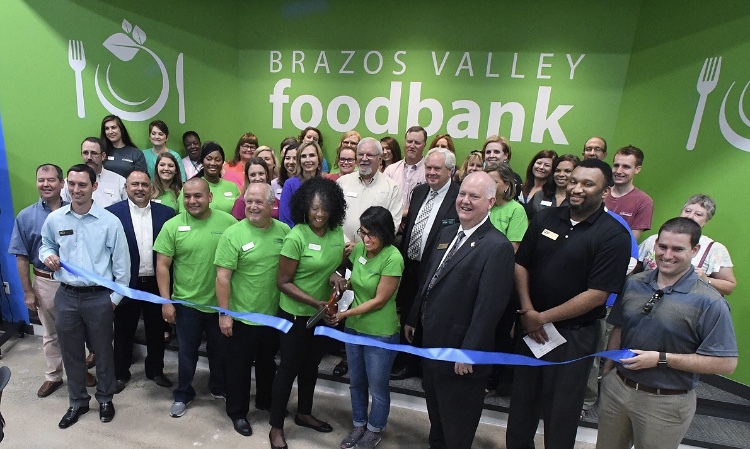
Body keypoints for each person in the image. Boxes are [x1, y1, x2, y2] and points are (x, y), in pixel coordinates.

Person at [506, 158, 632, 449]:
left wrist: (543, 317)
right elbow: (521, 264)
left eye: (587, 184)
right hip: (530, 328)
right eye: (574, 181)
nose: (577, 188)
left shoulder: (614, 235)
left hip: (573, 336)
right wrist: (529, 312)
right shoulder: (546, 218)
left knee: (560, 414)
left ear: (605, 191)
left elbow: (597, 294)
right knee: (522, 406)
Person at [596, 217, 738, 449]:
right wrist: (609, 374)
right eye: (662, 247)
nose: (668, 255)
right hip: (618, 390)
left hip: (666, 402)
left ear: (695, 250)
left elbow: (725, 364)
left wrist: (661, 359)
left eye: (678, 249)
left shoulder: (710, 302)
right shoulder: (634, 284)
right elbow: (619, 328)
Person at [404, 171, 515, 449]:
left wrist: (469, 351)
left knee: (457, 427)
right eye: (462, 194)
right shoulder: (447, 232)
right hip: (431, 345)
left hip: (461, 355)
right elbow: (429, 279)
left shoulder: (497, 247)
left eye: (474, 196)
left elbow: (489, 308)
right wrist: (414, 317)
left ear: (490, 202)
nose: (465, 201)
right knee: (437, 419)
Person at [39, 163, 130, 428]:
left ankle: (105, 399)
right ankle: (77, 402)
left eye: (83, 184)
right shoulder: (55, 219)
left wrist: (111, 301)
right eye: (72, 184)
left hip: (98, 298)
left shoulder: (109, 222)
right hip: (66, 296)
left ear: (94, 187)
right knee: (71, 353)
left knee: (102, 352)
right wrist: (48, 256)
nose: (76, 189)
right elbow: (46, 244)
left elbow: (122, 269)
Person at [268, 177, 347, 449]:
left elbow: (335, 264)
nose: (320, 214)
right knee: (288, 369)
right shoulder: (296, 236)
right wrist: (316, 303)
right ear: (305, 207)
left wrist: (337, 274)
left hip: (321, 315)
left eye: (325, 208)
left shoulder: (337, 232)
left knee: (311, 367)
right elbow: (283, 282)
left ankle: (304, 413)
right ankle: (276, 427)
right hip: (295, 316)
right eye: (314, 208)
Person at [154, 177, 237, 418]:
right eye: (187, 196)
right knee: (186, 352)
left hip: (219, 305)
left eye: (198, 196)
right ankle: (183, 392)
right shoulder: (172, 226)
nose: (192, 201)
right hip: (186, 304)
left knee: (219, 351)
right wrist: (166, 302)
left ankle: (218, 388)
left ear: (210, 197)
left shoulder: (229, 223)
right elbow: (162, 266)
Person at [215, 183, 291, 437]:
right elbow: (222, 277)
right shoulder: (233, 234)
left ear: (272, 205)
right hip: (241, 317)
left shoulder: (284, 231)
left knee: (268, 363)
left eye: (259, 202)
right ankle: (237, 413)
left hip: (273, 315)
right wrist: (224, 314)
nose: (253, 207)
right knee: (238, 368)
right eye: (249, 202)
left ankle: (265, 402)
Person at [328, 206, 404, 449]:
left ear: (385, 233)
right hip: (354, 328)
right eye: (363, 232)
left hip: (380, 332)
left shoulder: (393, 258)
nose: (366, 239)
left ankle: (374, 429)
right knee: (357, 381)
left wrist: (344, 314)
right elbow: (354, 277)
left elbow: (379, 300)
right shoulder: (360, 249)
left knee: (378, 387)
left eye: (372, 234)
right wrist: (339, 281)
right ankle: (359, 423)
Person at [392, 147, 459, 381]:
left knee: (427, 316)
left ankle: (422, 366)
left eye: (436, 168)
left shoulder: (458, 197)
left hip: (438, 269)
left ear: (450, 171)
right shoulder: (419, 192)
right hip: (411, 265)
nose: (430, 172)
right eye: (428, 167)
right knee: (407, 311)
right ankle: (406, 361)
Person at [106, 170, 175, 393]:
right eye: (134, 184)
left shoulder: (166, 213)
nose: (139, 189)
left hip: (156, 282)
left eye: (144, 185)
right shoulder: (111, 214)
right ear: (126, 188)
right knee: (124, 330)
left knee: (157, 330)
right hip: (127, 282)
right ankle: (120, 373)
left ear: (151, 188)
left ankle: (155, 370)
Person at [8, 163, 68, 398]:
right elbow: (21, 257)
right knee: (51, 333)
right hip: (45, 282)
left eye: (51, 180)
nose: (46, 184)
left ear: (61, 183)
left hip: (74, 282)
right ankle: (53, 376)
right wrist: (28, 292)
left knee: (77, 331)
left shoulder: (74, 211)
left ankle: (79, 371)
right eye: (41, 180)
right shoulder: (26, 217)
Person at [483, 163, 528, 396]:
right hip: (476, 279)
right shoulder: (484, 207)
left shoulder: (515, 210)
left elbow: (512, 248)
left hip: (502, 282)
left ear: (507, 185)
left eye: (494, 182)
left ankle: (491, 380)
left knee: (498, 331)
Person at [638, 194, 736, 296]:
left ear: (706, 221)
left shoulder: (715, 249)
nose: (690, 216)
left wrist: (706, 279)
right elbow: (634, 268)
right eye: (687, 211)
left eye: (698, 214)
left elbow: (729, 287)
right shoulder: (653, 240)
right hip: (644, 296)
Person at [337, 137, 402, 247]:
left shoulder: (392, 188)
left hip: (374, 254)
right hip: (342, 250)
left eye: (370, 155)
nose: (364, 158)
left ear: (380, 159)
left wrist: (362, 246)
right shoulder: (341, 183)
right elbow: (333, 217)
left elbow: (392, 225)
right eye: (360, 154)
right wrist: (346, 243)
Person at [604, 145, 654, 239]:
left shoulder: (644, 202)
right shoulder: (599, 193)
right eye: (616, 165)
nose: (619, 171)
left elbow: (631, 241)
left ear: (637, 169)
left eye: (626, 167)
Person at [62, 137, 127, 207]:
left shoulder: (120, 182)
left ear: (103, 156)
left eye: (94, 153)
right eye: (85, 153)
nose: (89, 157)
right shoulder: (70, 183)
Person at [180, 142, 241, 215]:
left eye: (218, 160)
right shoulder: (191, 186)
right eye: (209, 159)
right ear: (202, 161)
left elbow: (239, 213)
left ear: (223, 162)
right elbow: (183, 216)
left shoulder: (233, 187)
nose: (213, 163)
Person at [384, 126, 428, 226]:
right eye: (409, 141)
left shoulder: (429, 173)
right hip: (390, 225)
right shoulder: (391, 170)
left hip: (417, 225)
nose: (412, 146)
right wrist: (396, 220)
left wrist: (402, 215)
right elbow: (383, 199)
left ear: (424, 145)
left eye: (417, 143)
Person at [278, 140, 324, 227]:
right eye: (303, 156)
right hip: (295, 236)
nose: (307, 160)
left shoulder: (325, 185)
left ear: (319, 159)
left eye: (312, 155)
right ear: (299, 160)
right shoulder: (290, 184)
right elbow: (285, 219)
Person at [526, 154, 579, 221]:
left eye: (567, 171)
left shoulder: (579, 199)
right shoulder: (539, 195)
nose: (561, 174)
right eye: (557, 170)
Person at [271, 140, 298, 206]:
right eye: (287, 158)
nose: (291, 162)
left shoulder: (305, 183)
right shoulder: (274, 184)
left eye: (295, 158)